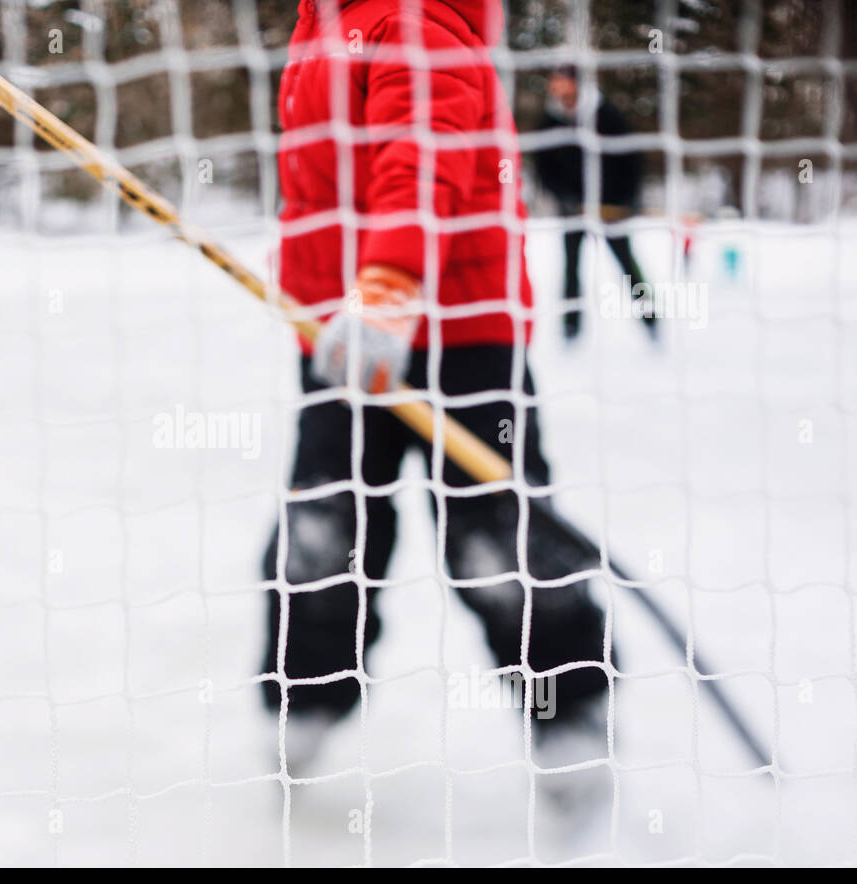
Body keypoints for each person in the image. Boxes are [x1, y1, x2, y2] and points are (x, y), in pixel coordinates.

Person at [262, 0, 616, 804]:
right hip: (343, 340)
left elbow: (420, 158)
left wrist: (387, 286)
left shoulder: (412, 15)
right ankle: (306, 698)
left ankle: (568, 714)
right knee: (323, 528)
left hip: (459, 334)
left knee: (496, 540)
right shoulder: (321, 23)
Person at [534, 64, 655, 339]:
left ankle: (650, 317)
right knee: (571, 267)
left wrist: (624, 199)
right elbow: (544, 168)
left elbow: (631, 160)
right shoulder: (549, 121)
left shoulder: (607, 115)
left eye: (562, 81)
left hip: (611, 208)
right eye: (554, 81)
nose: (556, 87)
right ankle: (571, 326)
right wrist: (564, 198)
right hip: (573, 210)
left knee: (626, 264)